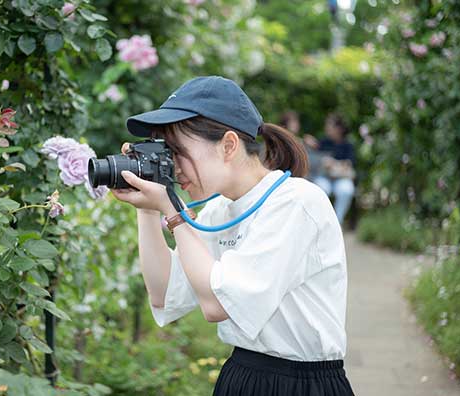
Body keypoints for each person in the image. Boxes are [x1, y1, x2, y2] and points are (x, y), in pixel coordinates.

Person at [110, 76, 354, 396]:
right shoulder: (220, 210)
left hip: (303, 384)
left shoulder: (296, 203)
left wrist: (173, 214)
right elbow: (163, 293)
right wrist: (146, 208)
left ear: (228, 145)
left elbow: (216, 305)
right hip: (241, 376)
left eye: (176, 151)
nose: (171, 165)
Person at [304, 113, 356, 226]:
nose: (327, 128)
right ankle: (320, 223)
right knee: (321, 189)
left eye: (330, 125)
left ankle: (336, 223)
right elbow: (316, 156)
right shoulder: (324, 142)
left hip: (341, 178)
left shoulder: (348, 145)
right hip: (324, 177)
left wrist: (333, 163)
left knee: (346, 190)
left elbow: (349, 164)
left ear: (339, 129)